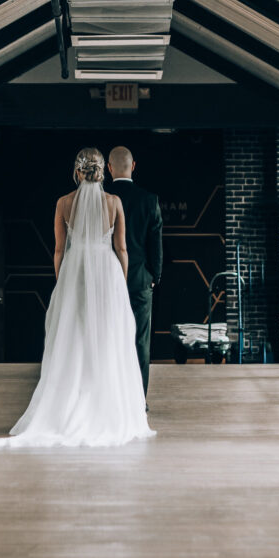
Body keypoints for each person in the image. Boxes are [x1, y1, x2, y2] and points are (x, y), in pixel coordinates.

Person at [0, 148, 155, 448]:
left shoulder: (64, 203)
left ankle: (67, 408)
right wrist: (120, 282)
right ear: (103, 171)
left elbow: (60, 250)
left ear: (77, 172)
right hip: (107, 271)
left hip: (75, 270)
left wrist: (63, 279)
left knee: (73, 338)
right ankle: (108, 408)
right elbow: (123, 249)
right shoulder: (113, 202)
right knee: (109, 339)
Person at [106, 146, 163, 403]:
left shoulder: (103, 200)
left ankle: (111, 398)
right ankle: (138, 400)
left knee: (108, 338)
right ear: (133, 166)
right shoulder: (148, 200)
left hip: (107, 279)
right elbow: (156, 244)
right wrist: (155, 275)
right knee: (140, 341)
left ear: (109, 168)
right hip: (140, 280)